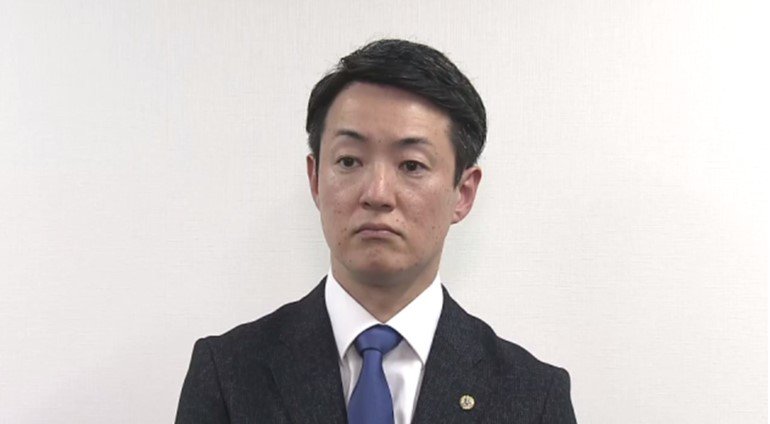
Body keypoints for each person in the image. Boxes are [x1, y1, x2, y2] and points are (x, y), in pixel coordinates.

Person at [175, 39, 577, 424]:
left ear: (463, 193)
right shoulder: (228, 374)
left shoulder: (532, 395)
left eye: (411, 165)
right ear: (315, 180)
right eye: (349, 161)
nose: (377, 194)